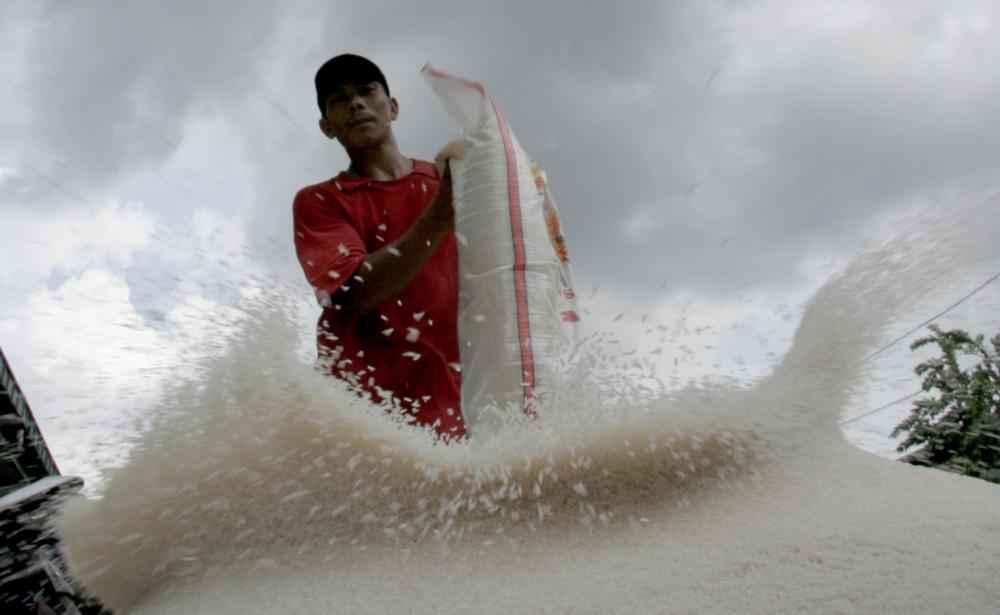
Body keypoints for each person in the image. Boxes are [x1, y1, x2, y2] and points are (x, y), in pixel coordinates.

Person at [292, 54, 466, 440]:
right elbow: (355, 292)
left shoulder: (448, 180)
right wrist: (441, 213)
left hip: (463, 402)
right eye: (338, 99)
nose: (355, 103)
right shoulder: (319, 201)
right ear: (326, 127)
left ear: (393, 107)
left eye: (367, 91)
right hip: (368, 420)